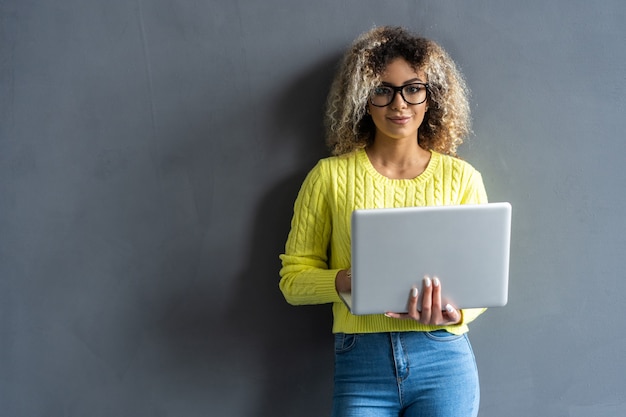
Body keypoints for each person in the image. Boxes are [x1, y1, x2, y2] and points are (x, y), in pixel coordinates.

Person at [279, 26, 488, 417]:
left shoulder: (462, 178)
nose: (399, 104)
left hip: (443, 358)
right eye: (382, 89)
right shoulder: (328, 177)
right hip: (362, 362)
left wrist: (456, 312)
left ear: (432, 96)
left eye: (413, 88)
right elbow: (293, 281)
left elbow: (482, 284)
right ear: (362, 98)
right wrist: (345, 281)